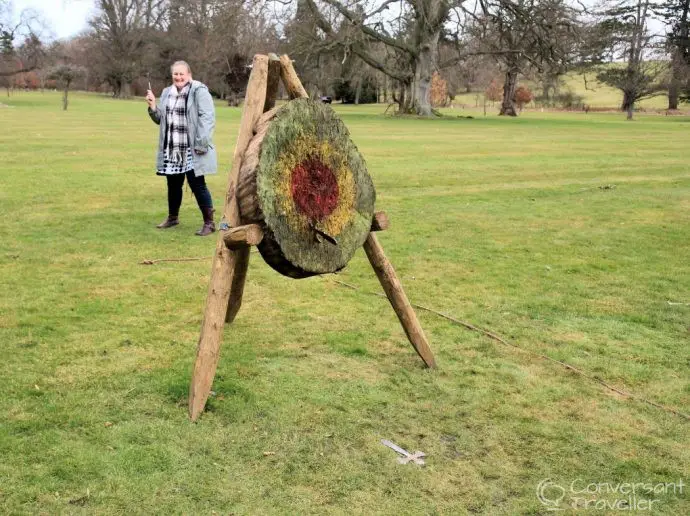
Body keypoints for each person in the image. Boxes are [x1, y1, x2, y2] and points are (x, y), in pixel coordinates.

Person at [146, 61, 218, 236]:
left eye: (181, 74)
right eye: (175, 74)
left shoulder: (199, 91)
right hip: (172, 147)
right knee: (173, 184)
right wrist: (153, 106)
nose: (178, 77)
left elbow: (207, 118)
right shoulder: (166, 93)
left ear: (189, 74)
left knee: (197, 184)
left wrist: (201, 143)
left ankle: (209, 223)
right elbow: (160, 120)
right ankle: (173, 217)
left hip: (192, 148)